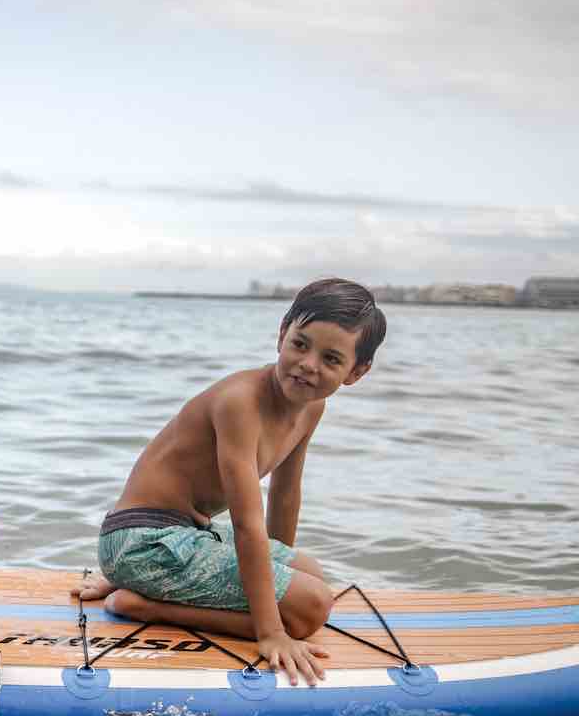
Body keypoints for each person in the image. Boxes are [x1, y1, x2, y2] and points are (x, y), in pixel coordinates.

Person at [75, 278, 387, 685]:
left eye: (331, 359)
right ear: (281, 334)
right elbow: (246, 523)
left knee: (310, 573)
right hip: (142, 543)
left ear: (356, 372)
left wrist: (281, 577)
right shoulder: (240, 402)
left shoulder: (312, 408)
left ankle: (148, 591)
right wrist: (272, 629)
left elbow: (285, 492)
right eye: (300, 344)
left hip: (183, 535)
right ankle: (146, 606)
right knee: (311, 607)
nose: (309, 364)